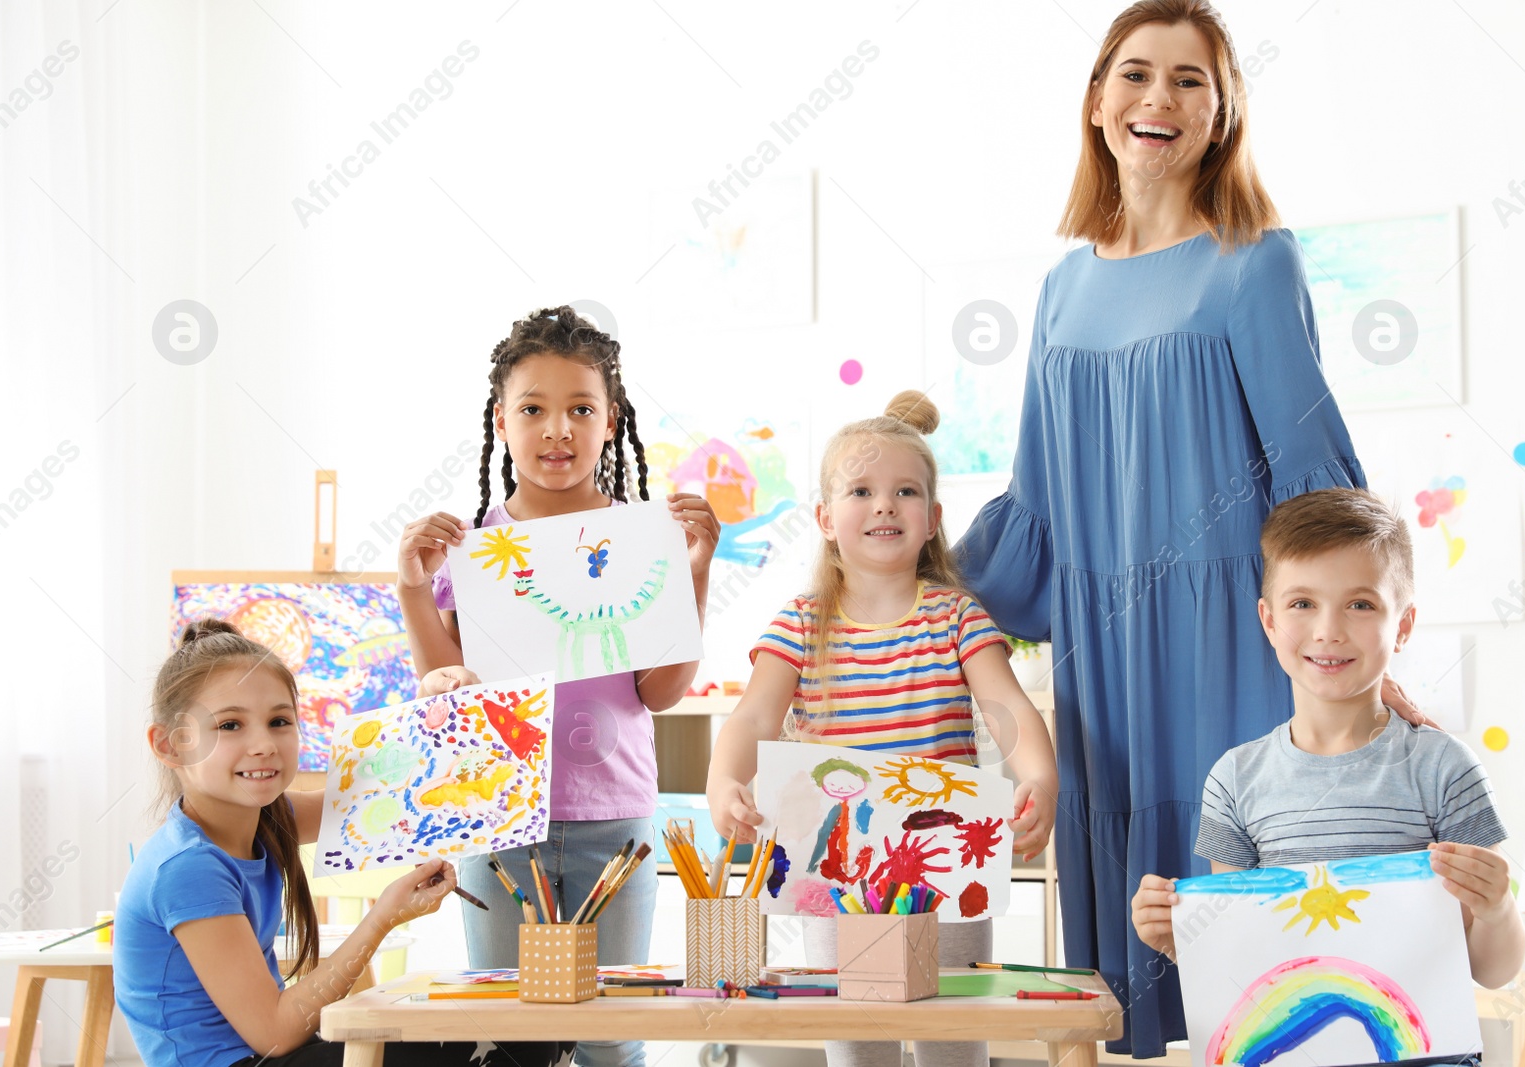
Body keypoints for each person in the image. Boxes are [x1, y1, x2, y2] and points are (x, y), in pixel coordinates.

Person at [952, 1, 1421, 1054]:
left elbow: (1308, 479)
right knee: (1134, 954)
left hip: (1234, 649)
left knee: (1264, 971)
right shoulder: (1061, 288)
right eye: (1134, 74)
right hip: (1107, 654)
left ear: (1222, 113)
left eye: (1188, 80)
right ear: (1096, 100)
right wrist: (902, 572)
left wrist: (1354, 632)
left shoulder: (1255, 261)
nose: (1157, 99)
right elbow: (1034, 505)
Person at [398, 305, 718, 1067]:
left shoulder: (643, 542)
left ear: (611, 422)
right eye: (533, 409)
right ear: (501, 423)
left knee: (613, 1034)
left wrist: (696, 571)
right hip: (501, 821)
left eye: (581, 408)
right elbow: (449, 693)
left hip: (616, 817)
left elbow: (661, 691)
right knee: (508, 1033)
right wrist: (413, 589)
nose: (557, 429)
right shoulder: (473, 552)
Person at [707, 391, 1058, 1067]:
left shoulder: (956, 616)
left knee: (951, 1039)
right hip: (836, 875)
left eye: (905, 491)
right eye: (861, 490)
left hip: (946, 875)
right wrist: (725, 780)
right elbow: (754, 715)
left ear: (933, 519)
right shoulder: (803, 621)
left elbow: (1009, 707)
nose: (884, 505)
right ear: (824, 518)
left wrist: (1039, 778)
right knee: (858, 1043)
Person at [1131, 489, 1524, 1063]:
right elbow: (1246, 961)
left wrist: (1497, 910)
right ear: (1268, 620)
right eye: (1302, 604)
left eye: (1361, 605)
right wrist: (1181, 939)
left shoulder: (1445, 768)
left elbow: (1493, 969)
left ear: (1404, 623)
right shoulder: (1234, 780)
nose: (1328, 630)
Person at [114, 618, 568, 1067]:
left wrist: (432, 713)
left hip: (268, 1054)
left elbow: (390, 784)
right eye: (230, 725)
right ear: (170, 746)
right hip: (249, 1059)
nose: (263, 744)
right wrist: (382, 918)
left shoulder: (269, 819)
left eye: (278, 721)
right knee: (512, 1050)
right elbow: (275, 1032)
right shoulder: (188, 867)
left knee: (538, 1038)